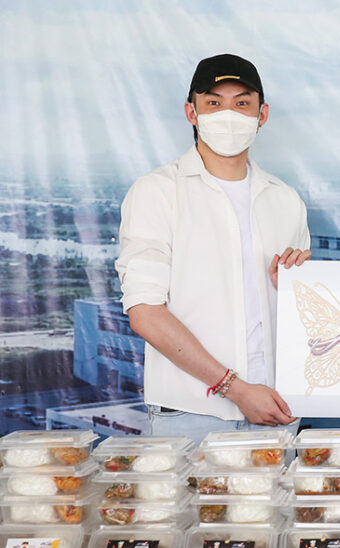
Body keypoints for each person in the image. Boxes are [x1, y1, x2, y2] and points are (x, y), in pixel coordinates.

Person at [115, 54, 311, 444]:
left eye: (242, 103)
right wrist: (235, 389)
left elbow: (307, 321)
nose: (229, 114)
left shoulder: (285, 200)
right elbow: (145, 313)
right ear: (192, 112)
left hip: (276, 410)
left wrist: (295, 290)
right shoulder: (158, 192)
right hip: (190, 415)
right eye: (214, 102)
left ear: (262, 114)